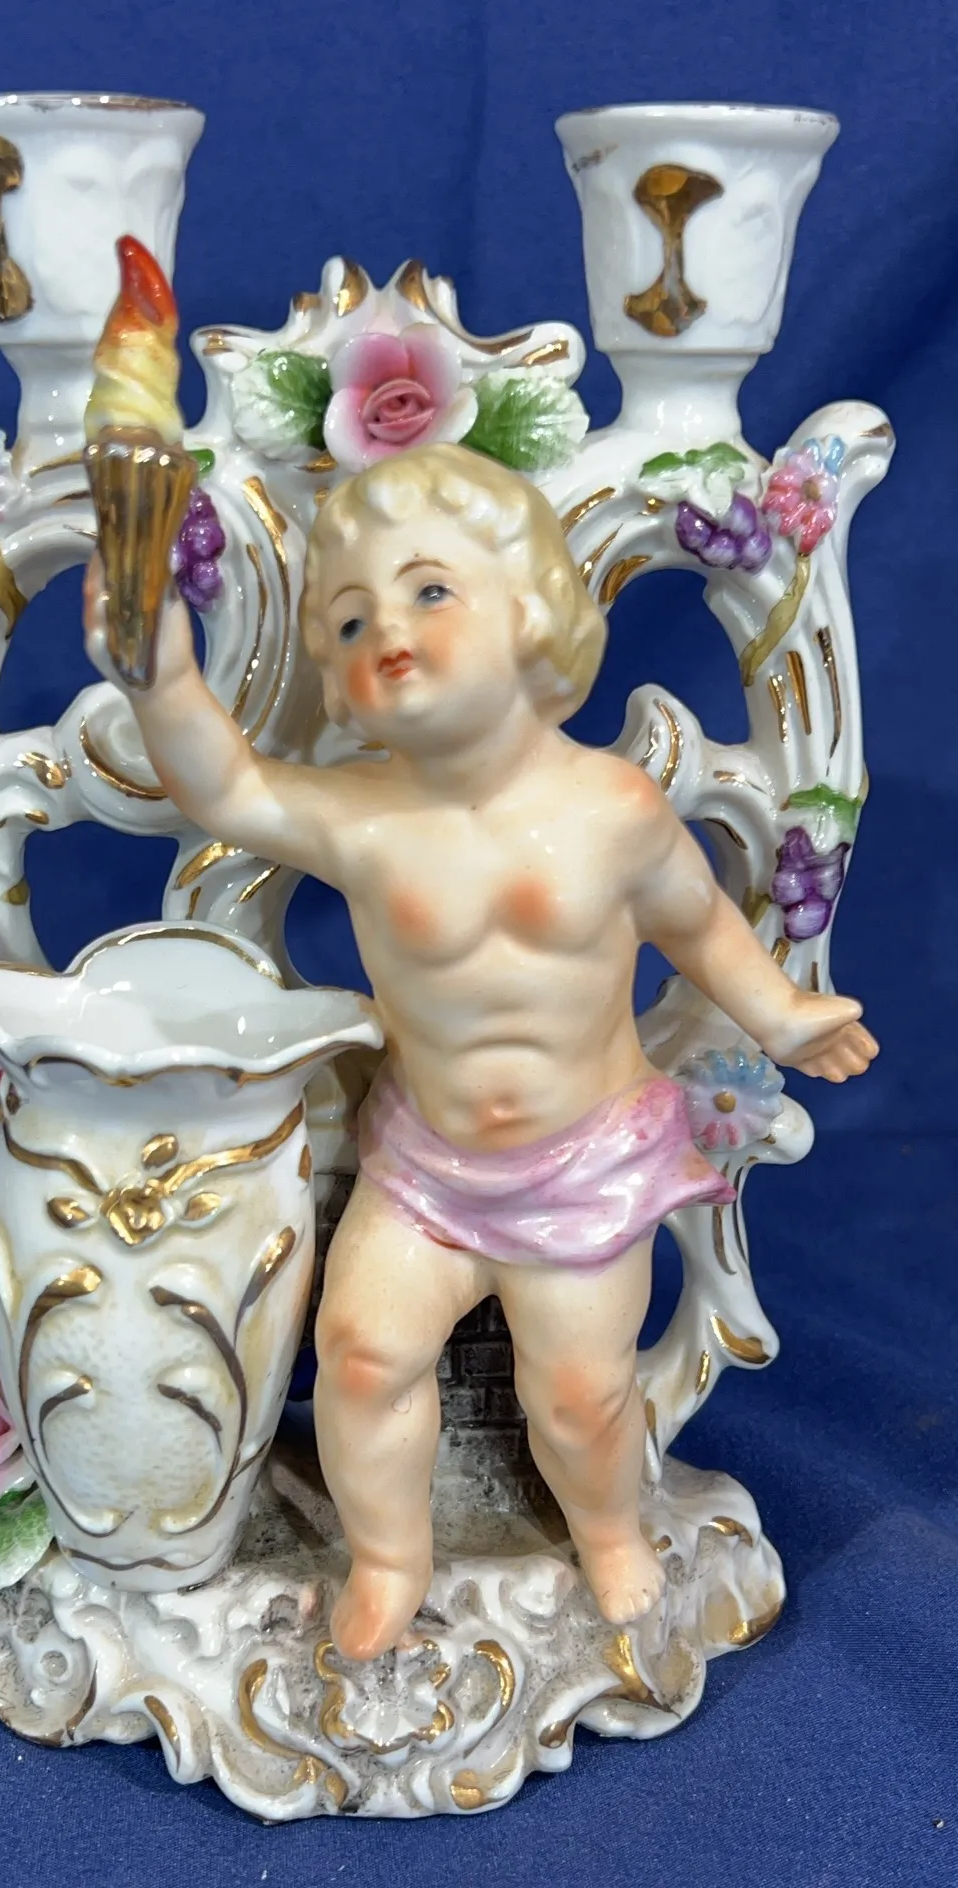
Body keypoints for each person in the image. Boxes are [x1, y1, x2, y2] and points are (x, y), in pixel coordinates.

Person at [83, 442, 877, 1662]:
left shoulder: (613, 810)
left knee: (580, 1396)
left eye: (429, 590)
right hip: (425, 1170)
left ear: (531, 609)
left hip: (586, 1167)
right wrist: (160, 671)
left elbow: (700, 923)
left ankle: (608, 1528)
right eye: (351, 620)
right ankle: (388, 1558)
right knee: (358, 1358)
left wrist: (779, 1012)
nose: (387, 632)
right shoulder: (365, 815)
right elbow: (226, 788)